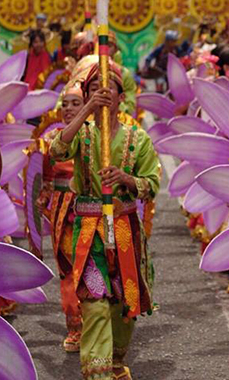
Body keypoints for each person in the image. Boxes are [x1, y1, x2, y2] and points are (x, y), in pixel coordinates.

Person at [50, 61, 160, 380]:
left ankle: (114, 362)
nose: (102, 90)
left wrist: (126, 177)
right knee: (95, 300)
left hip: (124, 228)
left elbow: (151, 183)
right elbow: (57, 151)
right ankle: (97, 374)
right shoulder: (81, 134)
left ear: (120, 95)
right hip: (88, 230)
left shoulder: (136, 138)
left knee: (123, 303)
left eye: (108, 85)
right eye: (94, 86)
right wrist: (85, 110)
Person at [34, 85, 85, 352]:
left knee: (95, 266)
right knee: (68, 269)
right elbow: (46, 180)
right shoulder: (52, 139)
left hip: (92, 209)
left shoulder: (97, 138)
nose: (68, 109)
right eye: (65, 104)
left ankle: (99, 322)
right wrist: (43, 205)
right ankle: (75, 326)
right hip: (63, 213)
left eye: (76, 103)